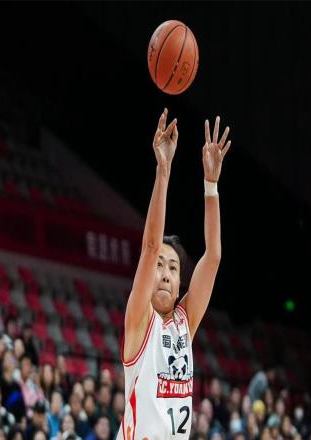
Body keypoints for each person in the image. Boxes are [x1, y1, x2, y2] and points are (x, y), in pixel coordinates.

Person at [117, 109, 231, 440]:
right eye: (159, 266)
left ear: (181, 283)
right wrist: (163, 171)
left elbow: (213, 256)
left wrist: (211, 186)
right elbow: (151, 246)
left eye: (173, 267)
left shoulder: (185, 322)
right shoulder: (139, 320)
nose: (166, 274)